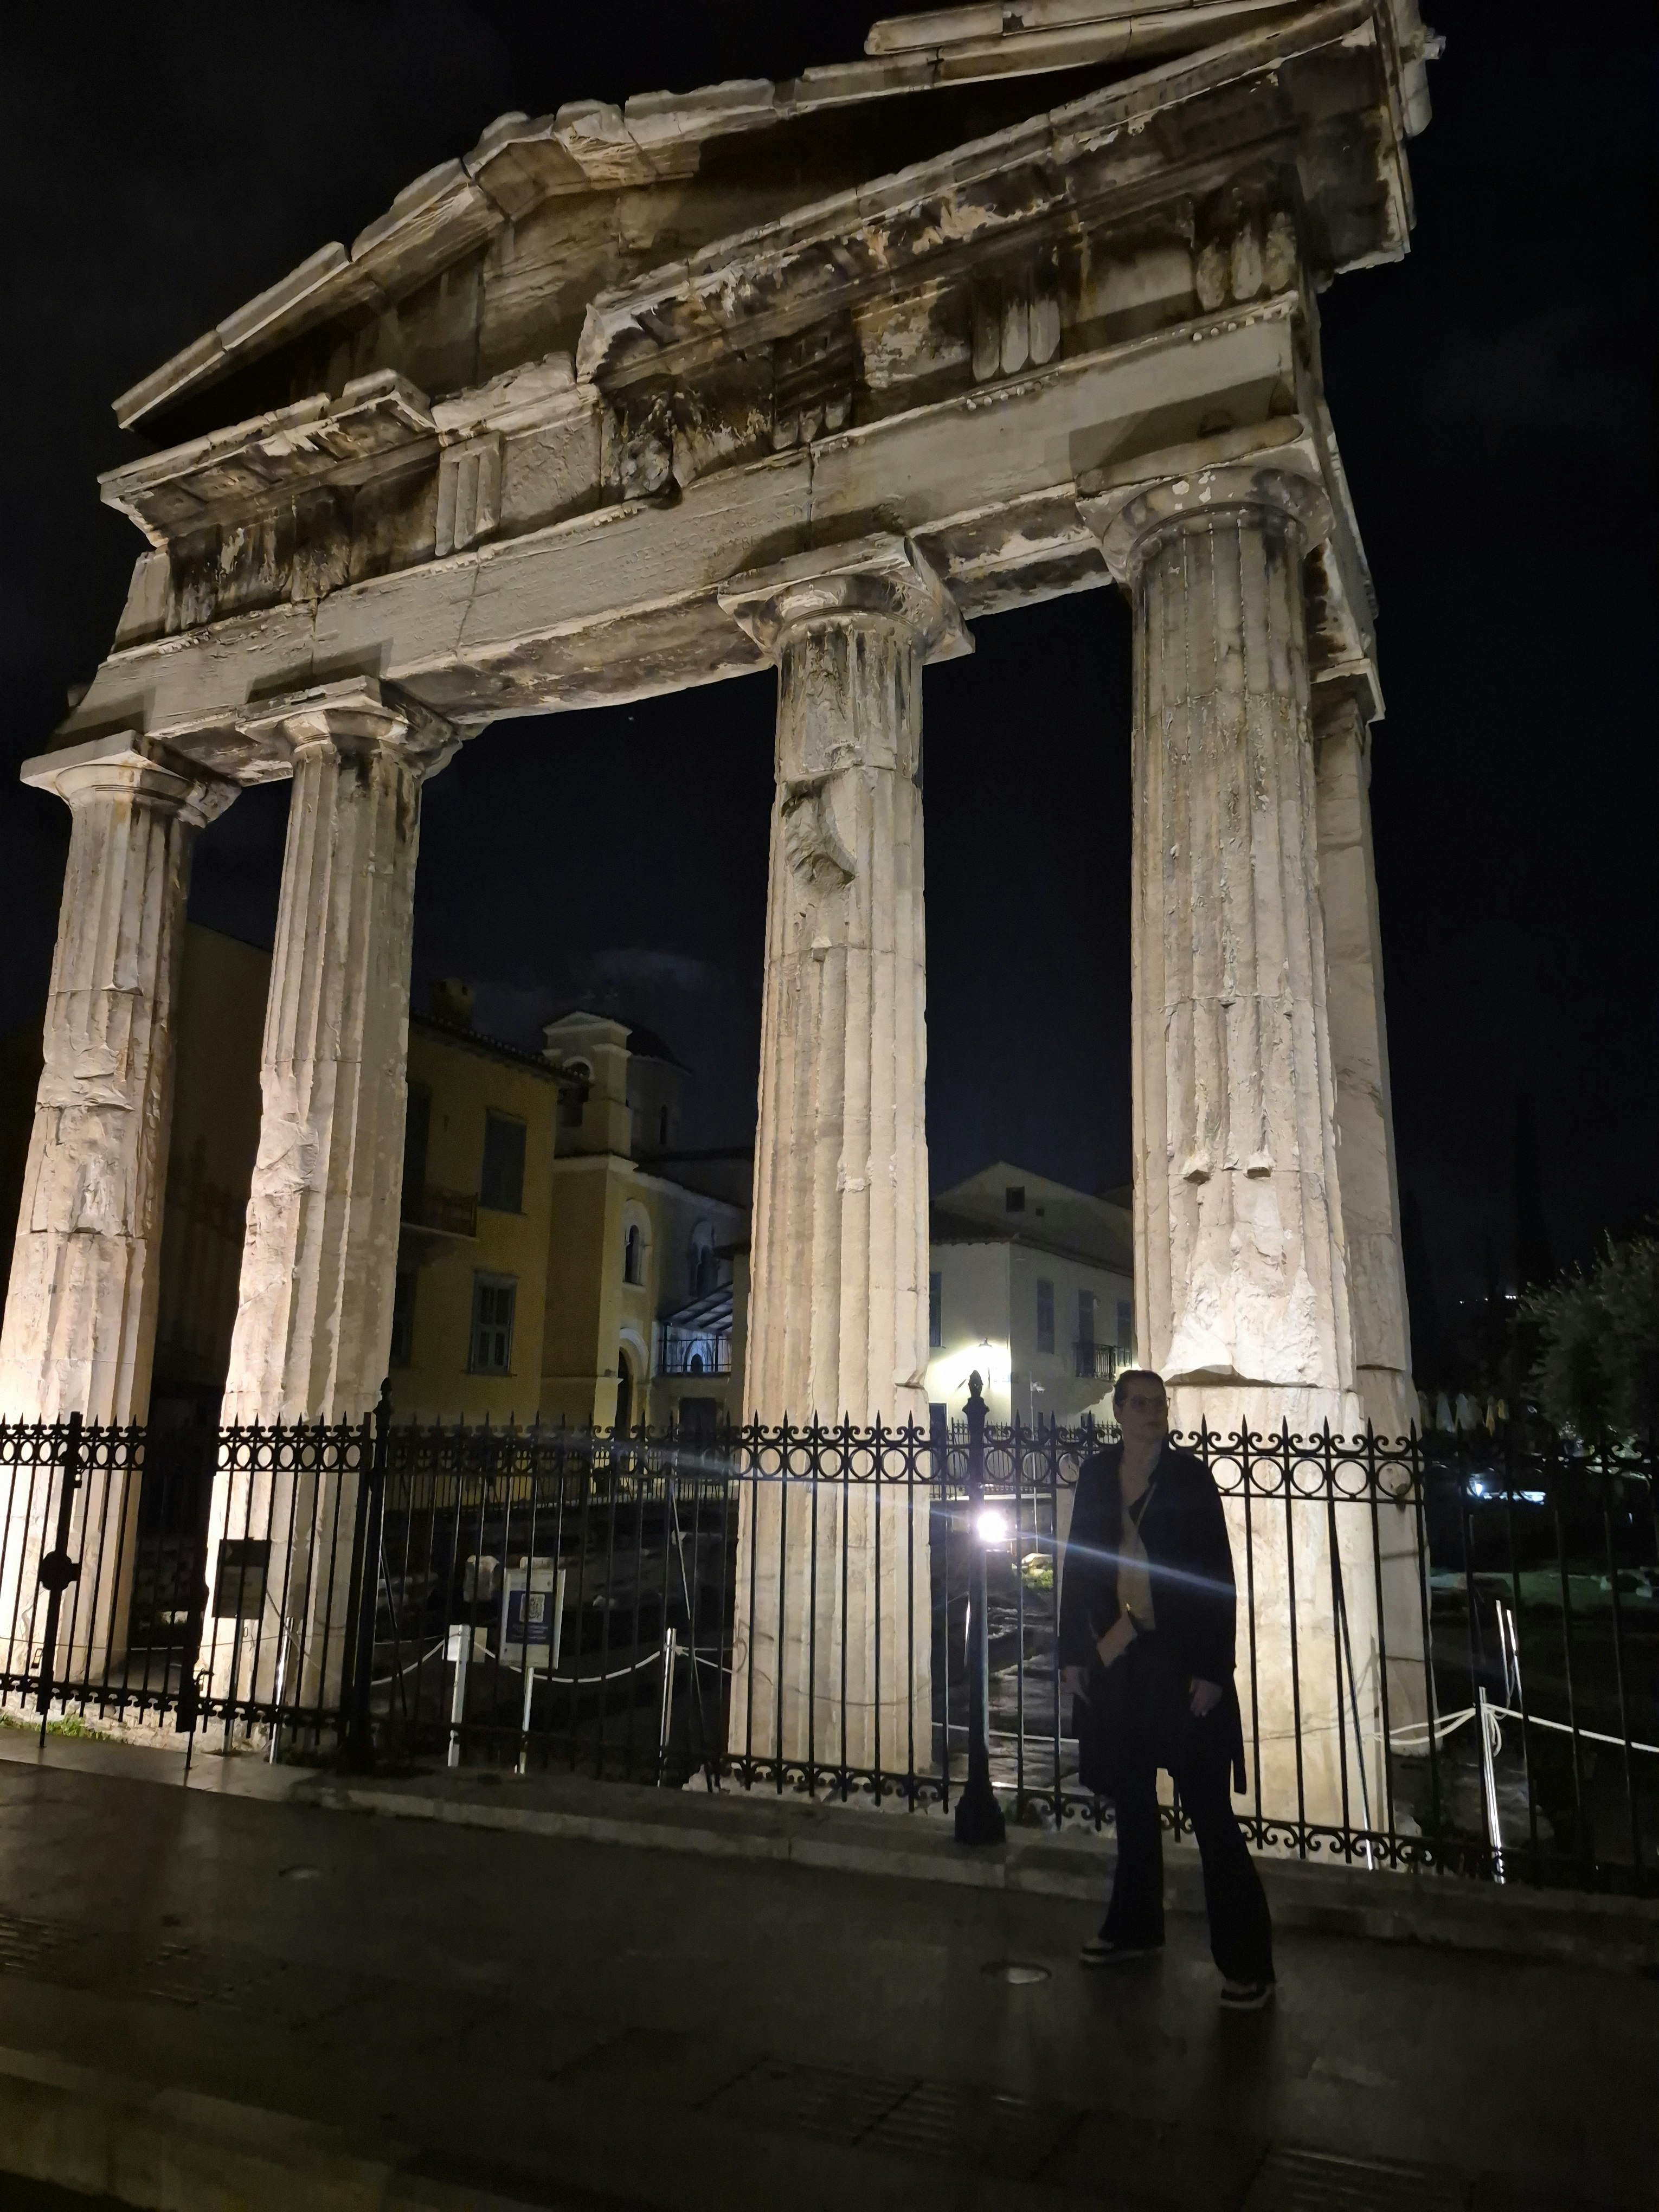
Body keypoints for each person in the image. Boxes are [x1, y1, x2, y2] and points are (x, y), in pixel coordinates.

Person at [1057, 1367, 1274, 2009]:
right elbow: (1078, 1560)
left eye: (1161, 1404)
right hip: (1120, 1657)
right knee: (1130, 1801)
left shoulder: (1189, 1478)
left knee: (1209, 1813)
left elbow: (1217, 1574)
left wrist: (1215, 1668)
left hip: (1181, 1663)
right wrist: (1074, 1652)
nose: (1155, 1412)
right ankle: (1133, 1928)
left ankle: (1247, 1965)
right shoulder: (1097, 1474)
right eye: (1143, 1404)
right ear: (1119, 1411)